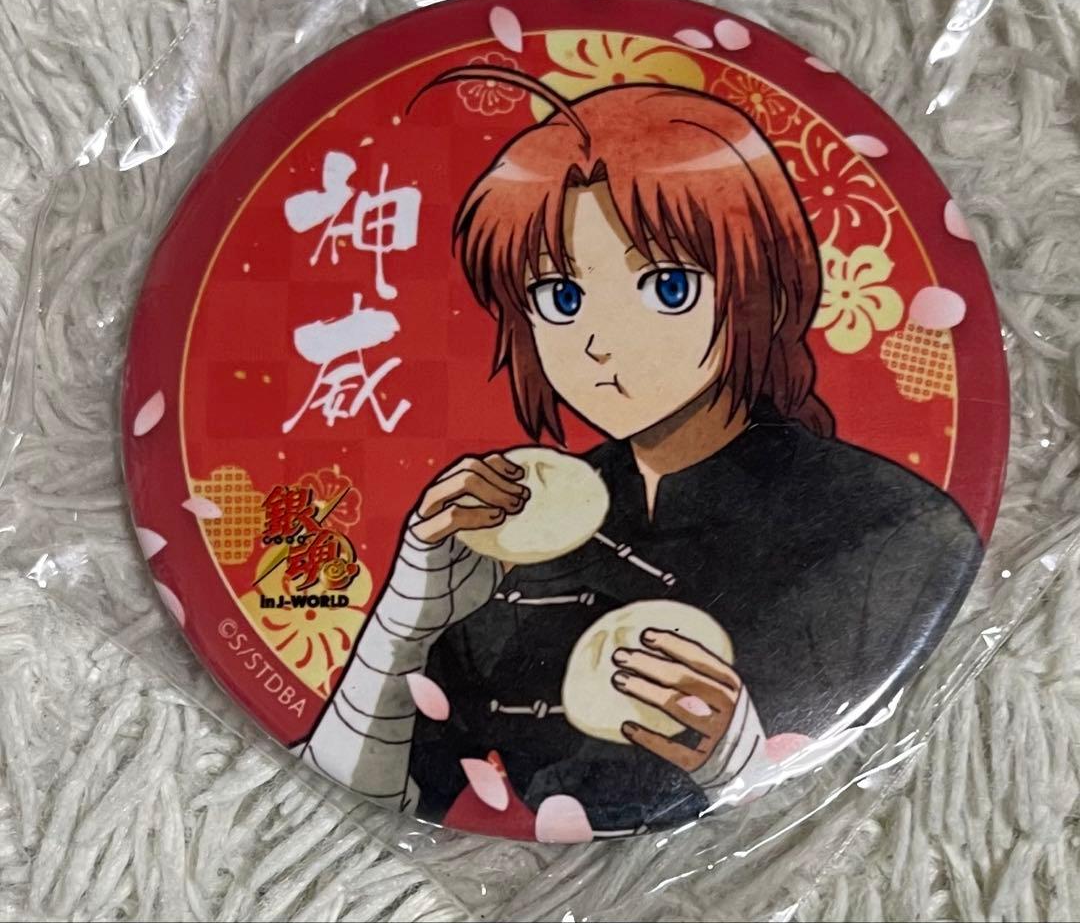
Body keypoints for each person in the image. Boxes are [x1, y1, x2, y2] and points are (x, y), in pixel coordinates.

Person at [300, 68, 982, 837]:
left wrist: (738, 766)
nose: (598, 341)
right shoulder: (521, 527)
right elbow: (366, 795)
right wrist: (408, 616)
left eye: (666, 287)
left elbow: (876, 809)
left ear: (762, 285)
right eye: (560, 297)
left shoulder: (894, 534)